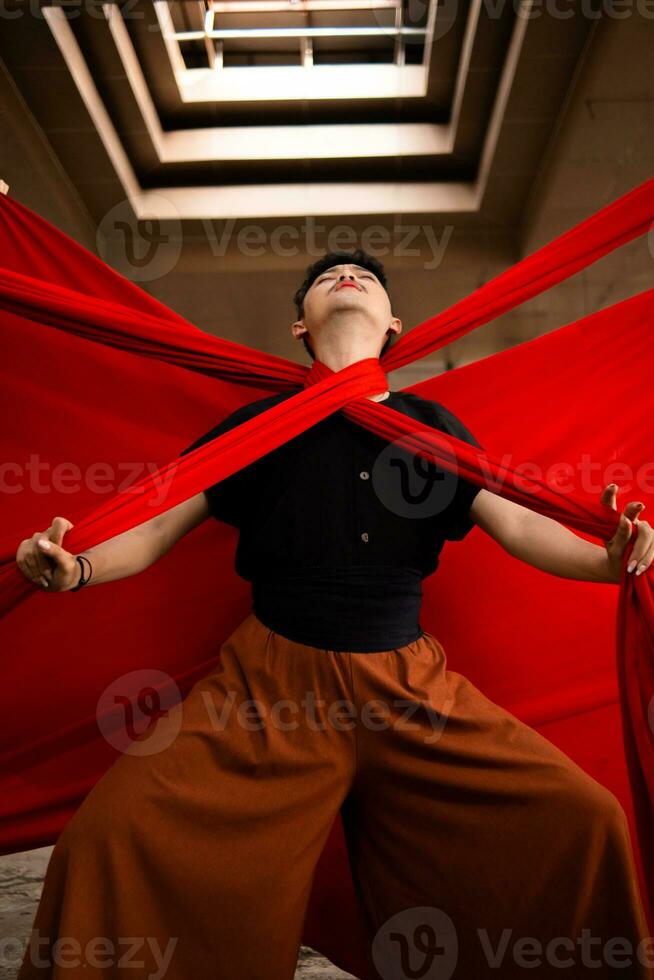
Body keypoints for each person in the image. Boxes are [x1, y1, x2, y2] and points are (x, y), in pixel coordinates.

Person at [14, 249, 654, 979]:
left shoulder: (434, 429)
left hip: (414, 695)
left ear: (395, 326)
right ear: (298, 325)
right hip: (264, 693)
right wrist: (79, 567)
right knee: (107, 838)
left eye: (366, 277)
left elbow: (521, 526)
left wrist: (608, 560)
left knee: (588, 820)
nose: (347, 276)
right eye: (326, 277)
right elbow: (157, 527)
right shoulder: (253, 429)